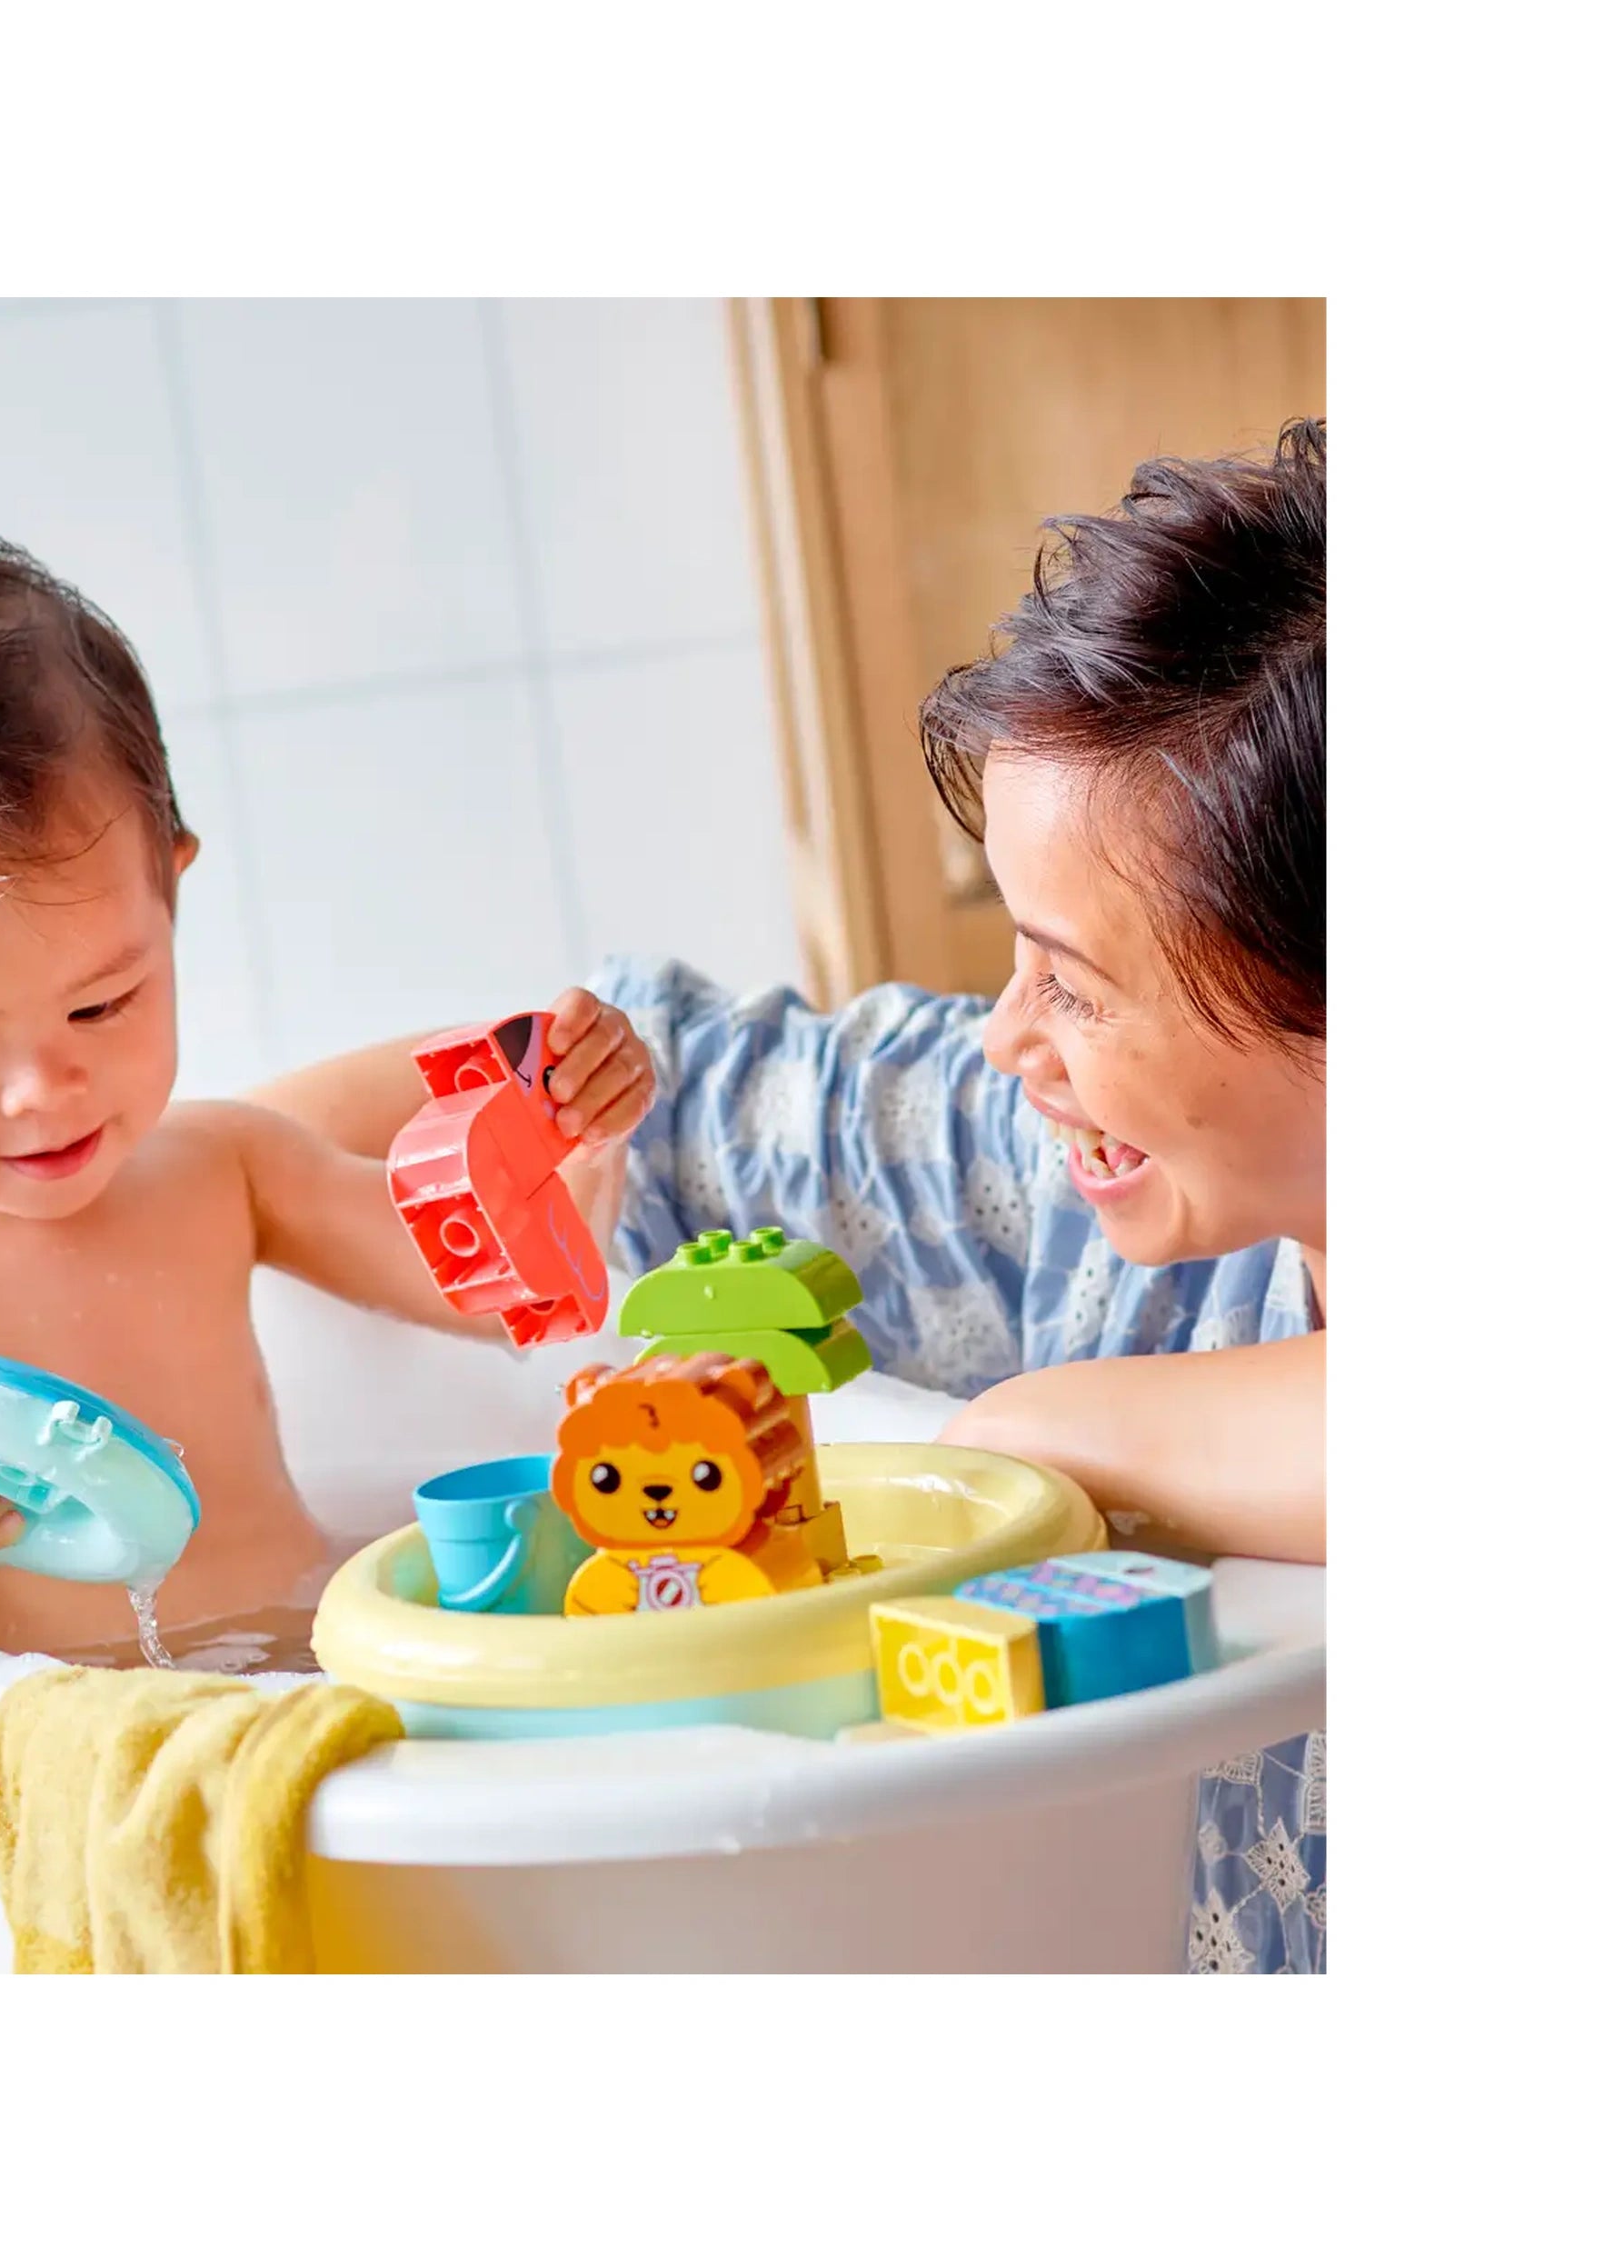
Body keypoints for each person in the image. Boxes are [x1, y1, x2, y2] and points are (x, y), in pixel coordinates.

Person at [259, 422, 1328, 1972]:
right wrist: (169, 1189)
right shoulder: (1047, 1157)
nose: (1008, 1035)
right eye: (1013, 955)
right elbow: (656, 1083)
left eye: (1076, 989)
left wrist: (1032, 1438)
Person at [0, 533, 651, 1659]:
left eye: (102, 1005)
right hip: (70, 1736)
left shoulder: (224, 1168)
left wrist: (576, 1133)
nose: (47, 1089)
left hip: (311, 1664)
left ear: (170, 904)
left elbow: (504, 1300)